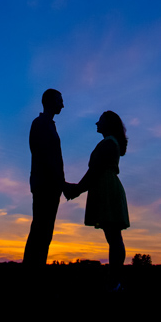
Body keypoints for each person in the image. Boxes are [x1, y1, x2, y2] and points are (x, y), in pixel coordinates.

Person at [67, 110, 129, 290]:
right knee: (113, 237)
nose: (96, 123)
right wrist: (78, 188)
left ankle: (114, 281)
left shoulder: (108, 143)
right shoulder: (110, 142)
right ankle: (114, 280)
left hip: (107, 188)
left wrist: (77, 189)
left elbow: (94, 171)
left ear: (108, 123)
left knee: (114, 237)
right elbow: (94, 172)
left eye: (100, 120)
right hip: (106, 187)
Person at [23, 89, 77, 268]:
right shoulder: (40, 123)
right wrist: (62, 184)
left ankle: (35, 269)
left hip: (51, 186)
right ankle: (31, 271)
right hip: (45, 185)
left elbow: (52, 159)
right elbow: (45, 157)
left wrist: (61, 184)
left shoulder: (49, 125)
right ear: (49, 101)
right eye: (60, 100)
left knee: (44, 232)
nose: (63, 105)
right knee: (40, 230)